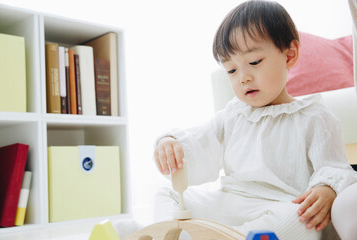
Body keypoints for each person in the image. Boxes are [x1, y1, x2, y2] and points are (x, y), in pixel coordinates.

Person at [153, 1, 357, 239]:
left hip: (280, 205)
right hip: (230, 202)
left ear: (290, 55)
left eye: (254, 62)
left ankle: (218, 236)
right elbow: (200, 142)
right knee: (167, 194)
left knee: (300, 219)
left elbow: (333, 167)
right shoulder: (232, 114)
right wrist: (172, 143)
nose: (243, 77)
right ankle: (167, 234)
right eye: (231, 70)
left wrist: (327, 188)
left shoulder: (314, 116)